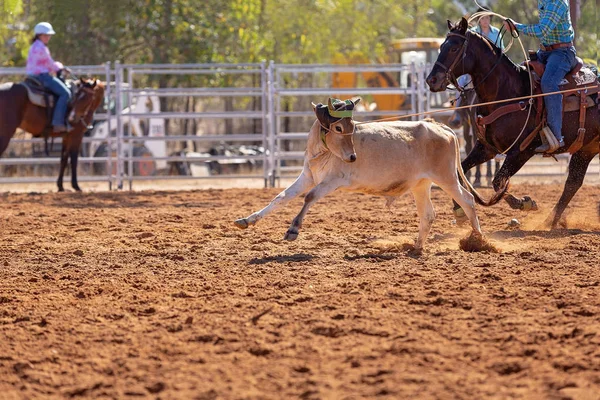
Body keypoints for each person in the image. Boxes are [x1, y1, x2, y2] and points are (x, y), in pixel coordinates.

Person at [505, 0, 577, 153]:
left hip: (563, 53)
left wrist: (517, 26)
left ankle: (556, 137)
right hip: (545, 52)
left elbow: (542, 31)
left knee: (549, 84)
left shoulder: (558, 3)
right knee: (521, 75)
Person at [26, 22, 72, 133]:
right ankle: (57, 123)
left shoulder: (35, 46)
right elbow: (50, 65)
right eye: (45, 35)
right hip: (42, 77)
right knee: (65, 93)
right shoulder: (42, 48)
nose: (48, 37)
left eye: (49, 35)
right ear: (39, 35)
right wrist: (60, 67)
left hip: (33, 75)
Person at [457, 7, 505, 89]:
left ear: (490, 18)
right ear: (479, 20)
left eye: (487, 17)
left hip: (493, 66)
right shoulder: (472, 32)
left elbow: (502, 51)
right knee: (463, 84)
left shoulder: (496, 32)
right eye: (483, 18)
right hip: (476, 68)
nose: (485, 20)